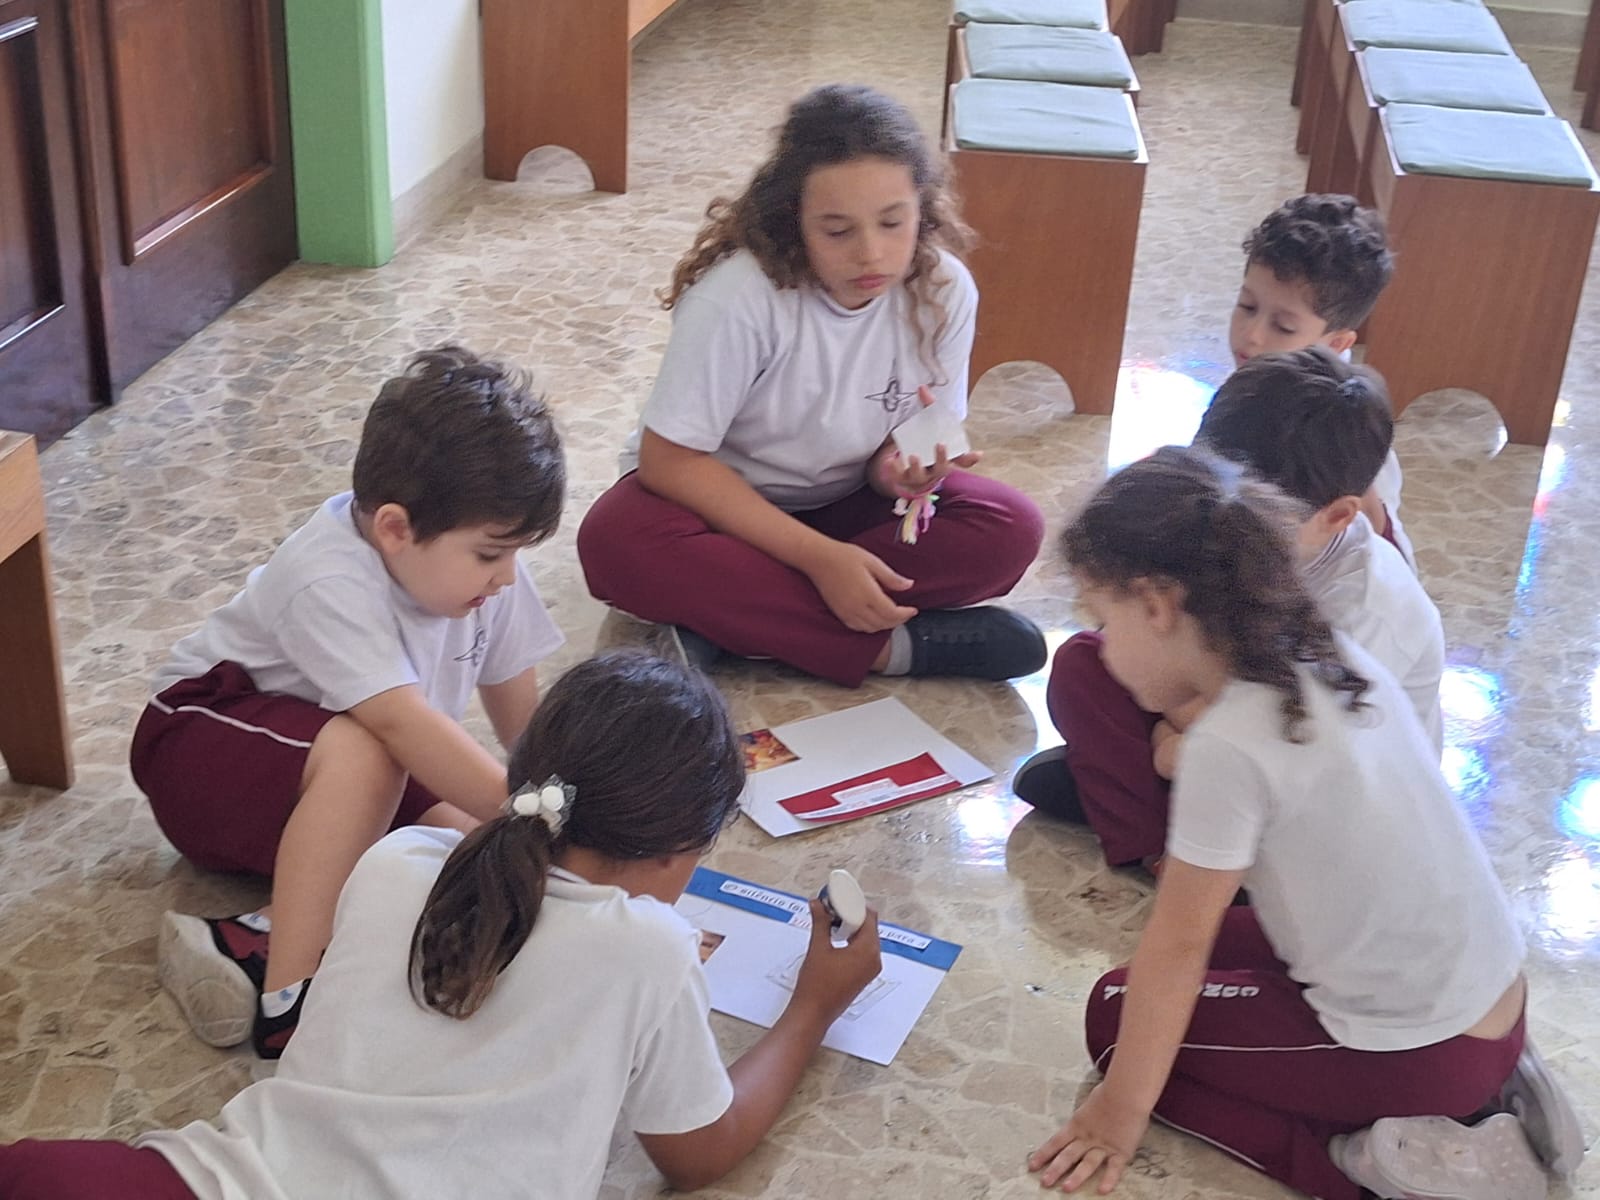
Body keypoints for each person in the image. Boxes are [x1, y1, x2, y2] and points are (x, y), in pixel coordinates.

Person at [2, 652, 884, 1200]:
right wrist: (814, 1007)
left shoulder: (401, 861)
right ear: (677, 854)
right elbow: (696, 1155)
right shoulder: (650, 951)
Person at [1025, 448, 1583, 1200]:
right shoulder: (1329, 650)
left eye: (1103, 620)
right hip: (1496, 1007)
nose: (1106, 648)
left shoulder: (1228, 745)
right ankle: (1488, 1098)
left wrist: (1116, 1115)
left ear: (1156, 606)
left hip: (1422, 1051)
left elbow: (1177, 949)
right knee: (1216, 954)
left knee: (1115, 1018)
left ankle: (1379, 1165)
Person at [130, 346, 566, 1057]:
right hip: (196, 748)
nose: (508, 576)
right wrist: (547, 824)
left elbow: (526, 739)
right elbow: (398, 724)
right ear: (394, 529)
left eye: (515, 553)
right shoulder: (325, 575)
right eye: (491, 555)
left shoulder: (488, 577)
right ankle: (291, 1003)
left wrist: (566, 839)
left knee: (476, 850)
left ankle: (247, 939)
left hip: (333, 777)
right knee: (383, 756)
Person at [576, 83, 1046, 687]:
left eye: (893, 222)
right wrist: (819, 560)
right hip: (716, 511)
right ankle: (894, 649)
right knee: (616, 540)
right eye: (837, 231)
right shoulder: (738, 298)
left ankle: (731, 621)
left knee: (1010, 526)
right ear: (794, 223)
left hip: (845, 505)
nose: (871, 253)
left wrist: (900, 472)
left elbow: (902, 445)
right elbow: (669, 462)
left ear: (922, 210)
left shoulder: (944, 291)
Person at [1016, 350, 1445, 868]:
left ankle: (1150, 810)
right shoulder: (1218, 519)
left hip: (1317, 811)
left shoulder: (1367, 611)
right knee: (1086, 664)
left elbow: (1291, 749)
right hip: (1219, 722)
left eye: (1261, 513)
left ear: (1336, 516)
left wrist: (1170, 748)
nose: (1228, 525)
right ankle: (1153, 842)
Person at [1228, 192, 1413, 568]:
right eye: (1247, 306)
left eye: (1284, 326)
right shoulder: (1261, 383)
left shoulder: (1340, 438)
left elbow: (1379, 551)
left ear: (1337, 344)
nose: (1252, 335)